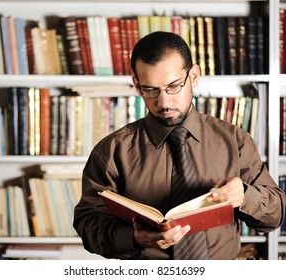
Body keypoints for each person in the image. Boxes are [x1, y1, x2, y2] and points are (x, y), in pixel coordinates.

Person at [73, 31, 286, 260]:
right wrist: (133, 238)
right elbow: (87, 225)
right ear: (136, 84)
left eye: (174, 86)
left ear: (193, 76)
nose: (164, 102)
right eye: (151, 90)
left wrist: (244, 196)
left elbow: (274, 217)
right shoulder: (112, 151)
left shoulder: (235, 140)